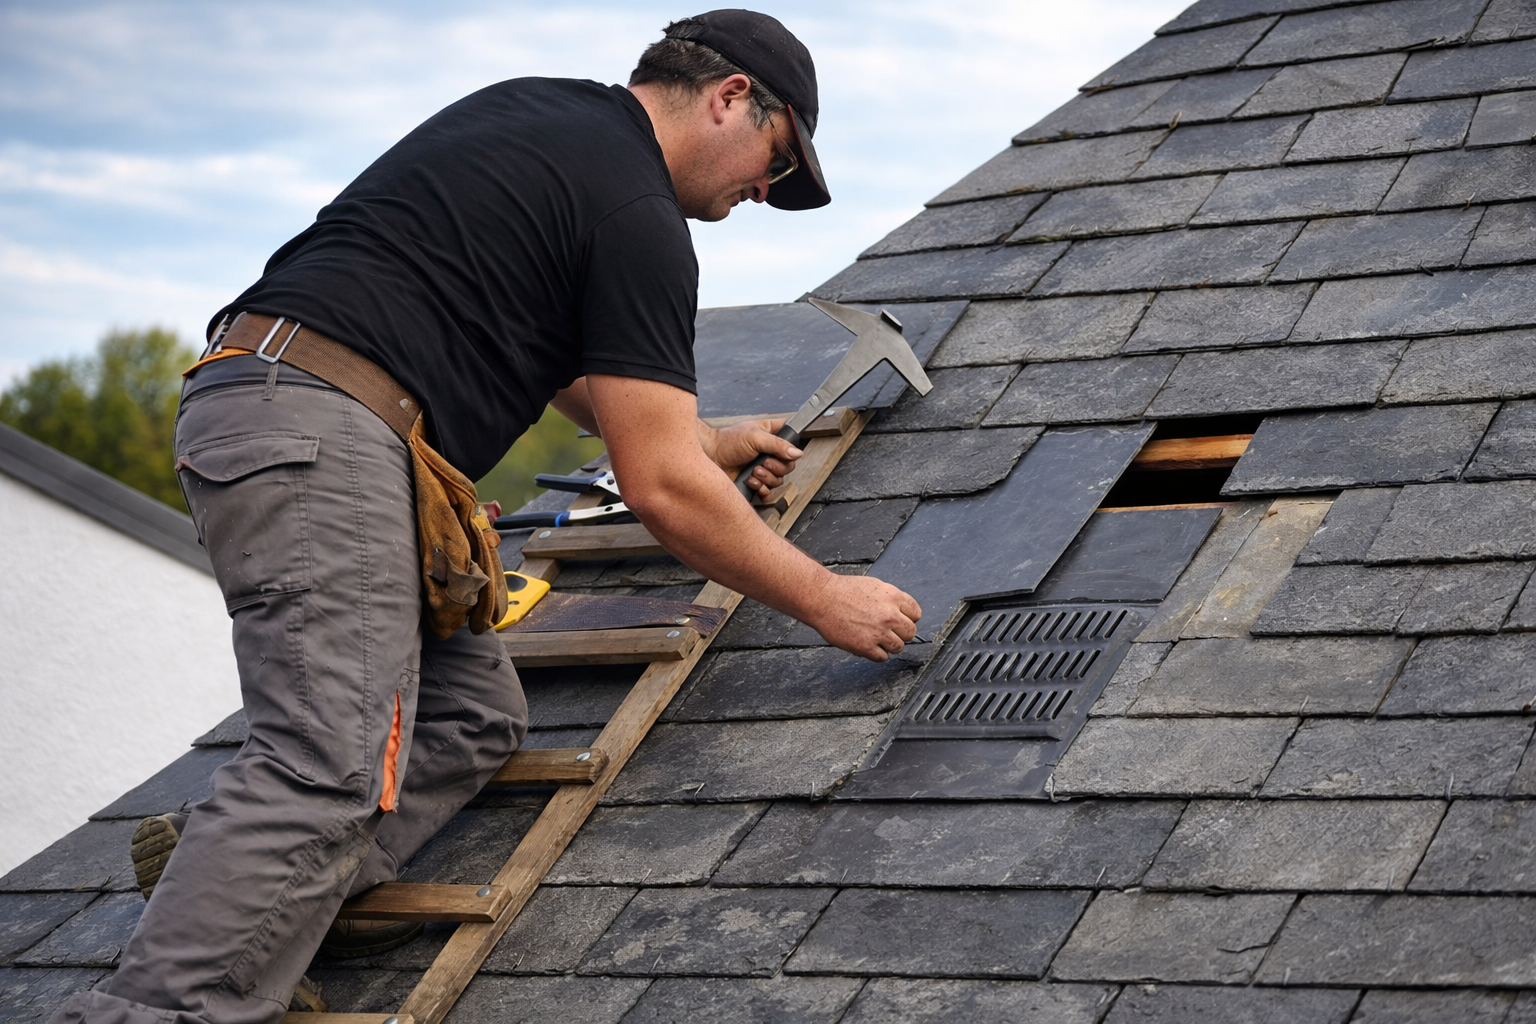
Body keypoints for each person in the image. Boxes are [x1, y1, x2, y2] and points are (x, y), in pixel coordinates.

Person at [51, 11, 920, 1024]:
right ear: (733, 96)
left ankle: (232, 887)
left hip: (288, 402)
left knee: (470, 716)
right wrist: (826, 597)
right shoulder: (638, 210)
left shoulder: (544, 120)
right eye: (775, 162)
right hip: (327, 432)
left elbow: (555, 366)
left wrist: (706, 435)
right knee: (329, 763)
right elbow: (661, 489)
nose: (764, 194)